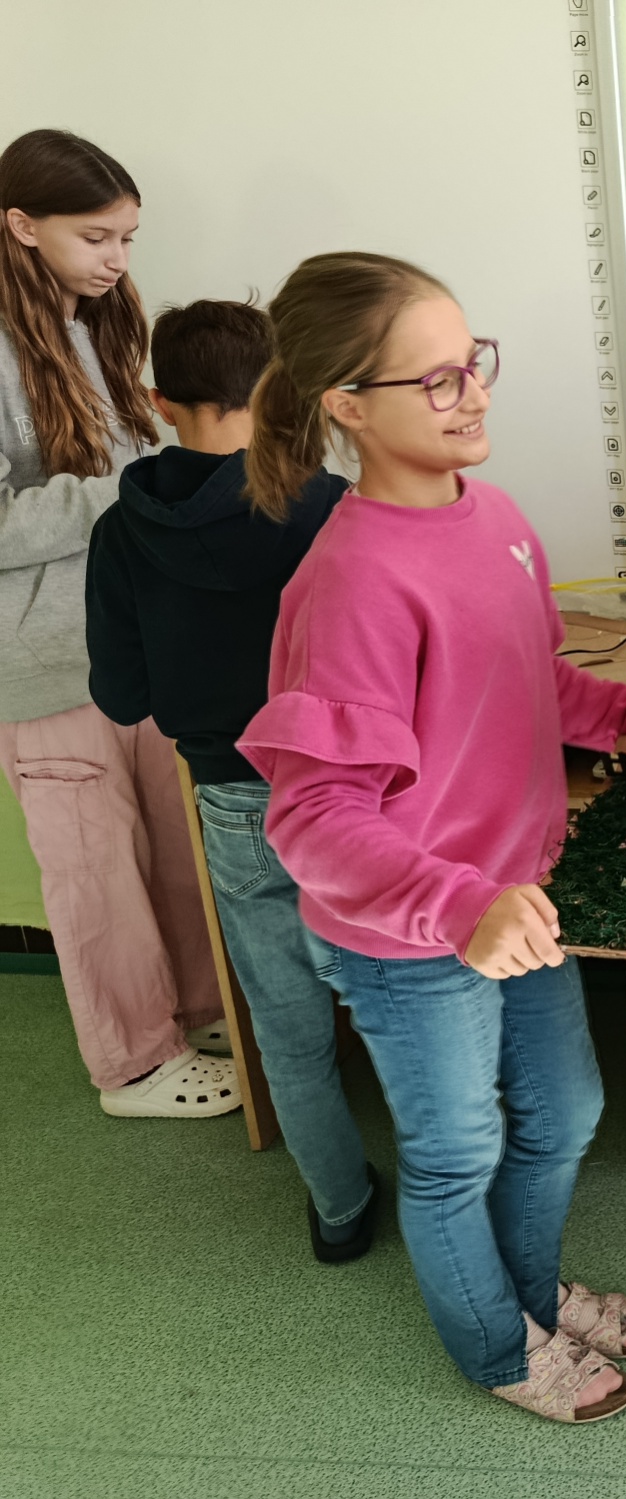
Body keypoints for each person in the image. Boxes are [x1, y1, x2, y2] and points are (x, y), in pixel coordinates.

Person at [235, 251, 626, 1421]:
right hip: (410, 936)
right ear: (349, 405)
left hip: (510, 899)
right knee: (455, 1153)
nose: (474, 394)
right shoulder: (349, 582)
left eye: (473, 363)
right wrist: (459, 905)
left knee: (564, 1113)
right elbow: (312, 814)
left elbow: (530, 680)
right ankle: (500, 1345)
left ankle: (531, 1291)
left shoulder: (494, 517)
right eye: (438, 379)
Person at [86, 298, 382, 1260]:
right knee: (405, 1006)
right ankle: (452, 1200)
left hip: (233, 798)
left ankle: (339, 1211)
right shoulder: (331, 507)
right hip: (354, 796)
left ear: (157, 400)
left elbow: (122, 693)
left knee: (288, 1027)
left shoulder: (121, 531)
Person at [0, 127, 234, 1118]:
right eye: (96, 237)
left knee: (175, 845)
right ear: (21, 225)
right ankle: (133, 1064)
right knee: (94, 870)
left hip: (132, 638)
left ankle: (195, 1012)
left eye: (127, 238)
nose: (117, 259)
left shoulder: (93, 327)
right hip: (45, 661)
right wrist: (126, 491)